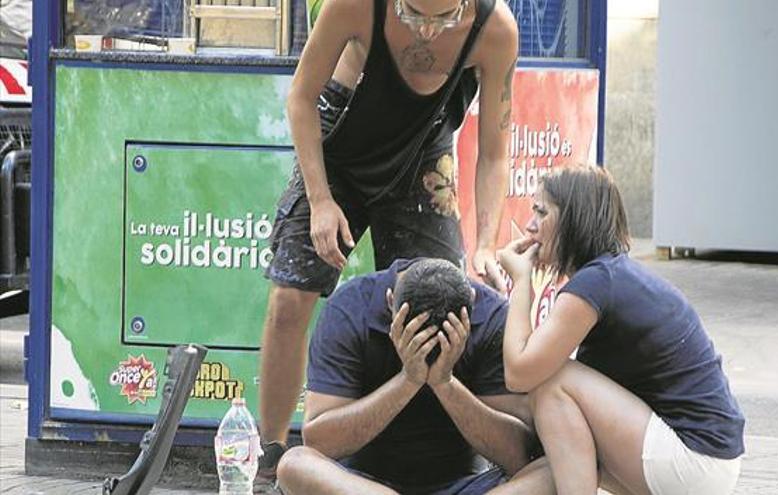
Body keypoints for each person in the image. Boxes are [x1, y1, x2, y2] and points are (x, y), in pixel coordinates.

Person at [258, 0, 519, 473]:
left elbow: (495, 153)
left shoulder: (493, 28)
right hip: (340, 146)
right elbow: (300, 99)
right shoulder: (355, 6)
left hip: (423, 152)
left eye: (438, 19)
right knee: (290, 298)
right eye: (415, 15)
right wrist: (320, 201)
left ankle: (425, 457)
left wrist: (486, 242)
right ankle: (271, 454)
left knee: (436, 302)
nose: (426, 28)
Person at [494, 166, 745, 495]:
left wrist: (521, 282)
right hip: (706, 462)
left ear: (574, 218)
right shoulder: (609, 275)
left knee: (552, 381)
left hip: (695, 460)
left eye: (541, 212)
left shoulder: (595, 284)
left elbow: (520, 373)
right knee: (552, 459)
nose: (530, 225)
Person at [275, 258, 533, 494]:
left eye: (440, 342)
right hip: (363, 485)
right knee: (294, 464)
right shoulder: (350, 309)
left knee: (548, 470)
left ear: (472, 306)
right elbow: (319, 442)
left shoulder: (492, 317)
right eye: (419, 338)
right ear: (390, 303)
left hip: (462, 486)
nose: (429, 350)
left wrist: (445, 384)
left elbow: (518, 456)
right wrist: (407, 381)